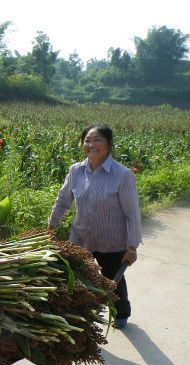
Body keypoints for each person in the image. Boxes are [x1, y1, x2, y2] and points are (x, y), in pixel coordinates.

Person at [47, 124, 142, 329]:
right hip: (80, 238)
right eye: (87, 140)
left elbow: (132, 213)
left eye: (97, 139)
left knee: (112, 280)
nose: (91, 144)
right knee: (77, 277)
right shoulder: (76, 171)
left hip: (111, 240)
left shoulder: (122, 175)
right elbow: (63, 200)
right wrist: (51, 226)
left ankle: (121, 313)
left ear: (108, 144)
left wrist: (132, 247)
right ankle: (79, 313)